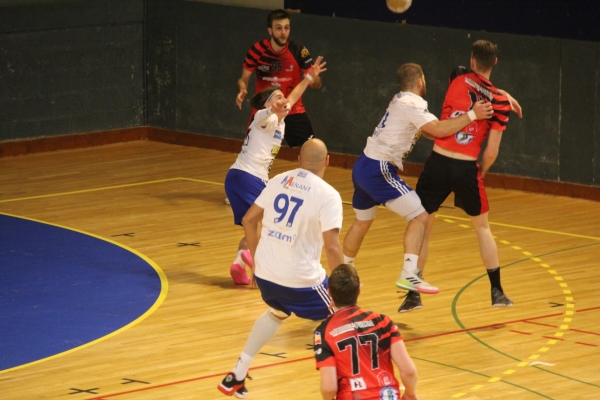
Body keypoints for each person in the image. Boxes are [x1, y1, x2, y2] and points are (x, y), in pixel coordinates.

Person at [342, 63, 493, 296]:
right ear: (420, 81)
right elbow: (439, 130)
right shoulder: (413, 103)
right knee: (420, 215)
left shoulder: (399, 99)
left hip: (363, 165)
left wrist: (452, 126)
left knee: (363, 221)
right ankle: (409, 274)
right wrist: (472, 114)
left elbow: (433, 131)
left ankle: (343, 270)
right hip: (378, 168)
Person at [218, 138, 345, 398]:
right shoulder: (328, 194)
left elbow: (248, 219)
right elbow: (332, 248)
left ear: (298, 160)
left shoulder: (278, 180)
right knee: (343, 316)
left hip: (265, 276)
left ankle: (237, 375)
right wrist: (342, 288)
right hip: (300, 279)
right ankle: (347, 384)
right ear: (328, 160)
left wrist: (257, 259)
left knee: (277, 311)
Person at [401, 40, 515, 313]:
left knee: (424, 224)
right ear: (495, 63)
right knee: (482, 229)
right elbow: (491, 152)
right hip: (466, 168)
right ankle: (497, 292)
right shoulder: (499, 102)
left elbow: (474, 82)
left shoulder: (457, 76)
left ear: (472, 61)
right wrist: (481, 173)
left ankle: (412, 296)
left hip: (438, 163)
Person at [225, 57, 327, 285]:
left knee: (256, 225)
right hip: (248, 178)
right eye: (278, 97)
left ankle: (241, 262)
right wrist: (273, 109)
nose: (284, 99)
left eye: (282, 96)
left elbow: (294, 95)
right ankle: (259, 270)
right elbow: (264, 115)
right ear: (268, 104)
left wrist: (309, 77)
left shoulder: (280, 119)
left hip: (242, 178)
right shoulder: (264, 119)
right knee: (267, 224)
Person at [314, 264, 418, 400]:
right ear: (359, 291)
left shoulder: (324, 331)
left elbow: (329, 387)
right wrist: (410, 394)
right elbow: (409, 371)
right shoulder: (383, 321)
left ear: (329, 293)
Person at [236, 9, 322, 149]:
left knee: (311, 150)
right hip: (264, 111)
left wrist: (313, 78)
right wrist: (242, 89)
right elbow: (243, 78)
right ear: (270, 30)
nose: (283, 32)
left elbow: (316, 83)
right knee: (250, 151)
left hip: (292, 109)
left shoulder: (298, 50)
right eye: (279, 28)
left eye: (286, 28)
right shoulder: (257, 50)